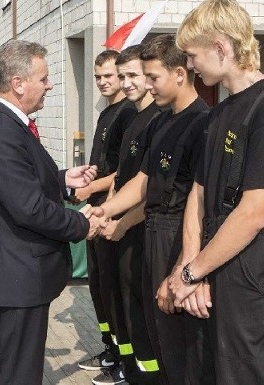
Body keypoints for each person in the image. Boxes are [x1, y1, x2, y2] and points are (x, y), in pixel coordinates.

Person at [167, 1, 264, 384]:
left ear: (221, 47)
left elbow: (252, 213)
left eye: (193, 56)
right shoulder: (218, 115)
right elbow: (198, 194)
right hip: (213, 266)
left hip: (253, 274)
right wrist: (191, 269)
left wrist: (192, 273)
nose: (191, 66)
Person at [0, 39, 103, 385]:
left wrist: (61, 180)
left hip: (20, 274)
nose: (50, 85)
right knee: (19, 374)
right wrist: (81, 223)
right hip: (17, 275)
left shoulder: (9, 124)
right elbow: (27, 207)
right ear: (18, 83)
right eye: (43, 78)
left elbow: (18, 185)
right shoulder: (1, 131)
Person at [96, 34, 210, 385]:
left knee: (182, 339)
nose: (146, 85)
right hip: (153, 234)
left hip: (179, 236)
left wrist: (187, 268)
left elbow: (200, 201)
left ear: (179, 73)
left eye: (152, 77)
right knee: (154, 327)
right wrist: (103, 211)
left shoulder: (202, 123)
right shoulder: (161, 121)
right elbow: (143, 182)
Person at [97, 43, 164, 385]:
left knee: (142, 312)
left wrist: (120, 222)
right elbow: (123, 177)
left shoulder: (158, 121)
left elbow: (149, 187)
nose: (126, 83)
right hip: (121, 227)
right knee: (123, 305)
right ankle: (130, 370)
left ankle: (148, 375)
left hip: (140, 231)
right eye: (121, 76)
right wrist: (106, 213)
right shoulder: (134, 118)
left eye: (133, 75)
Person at [74, 50, 137, 382]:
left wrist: (89, 190)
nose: (104, 82)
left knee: (116, 290)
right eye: (98, 76)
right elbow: (105, 163)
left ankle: (126, 361)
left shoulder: (128, 113)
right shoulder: (106, 113)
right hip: (97, 209)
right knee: (99, 287)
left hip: (115, 213)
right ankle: (111, 349)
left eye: (110, 76)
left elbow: (123, 174)